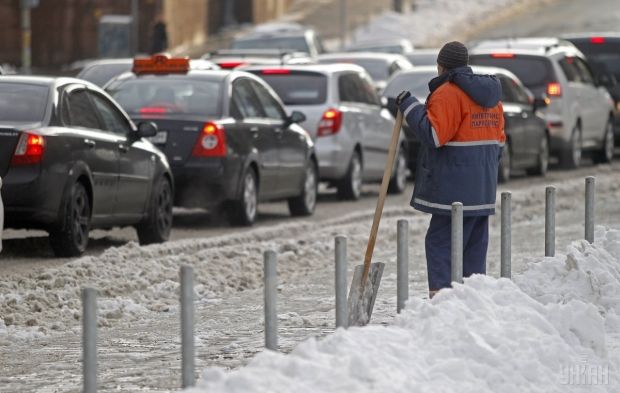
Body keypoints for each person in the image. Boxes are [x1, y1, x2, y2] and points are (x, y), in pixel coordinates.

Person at [395, 41, 505, 298]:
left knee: (440, 243)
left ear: (441, 66)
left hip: (454, 190)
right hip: (483, 189)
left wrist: (409, 106)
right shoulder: (491, 96)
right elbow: (500, 141)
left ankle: (441, 303)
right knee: (473, 248)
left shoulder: (448, 93)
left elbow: (434, 135)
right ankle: (472, 300)